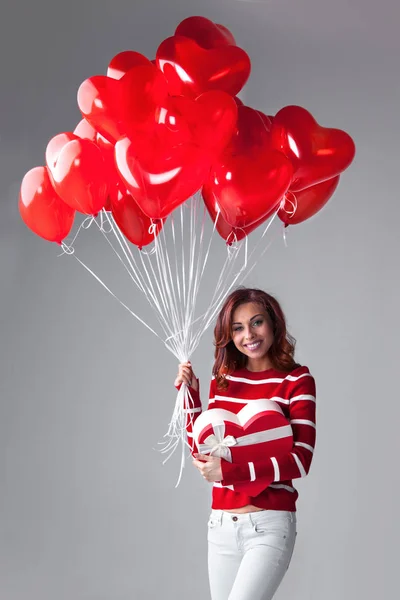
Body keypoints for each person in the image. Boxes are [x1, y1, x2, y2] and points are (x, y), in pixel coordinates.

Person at [174, 288, 316, 600]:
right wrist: (190, 398)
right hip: (221, 525)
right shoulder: (224, 378)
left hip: (269, 525)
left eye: (256, 323)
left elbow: (300, 460)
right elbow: (204, 450)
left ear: (273, 324)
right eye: (237, 328)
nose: (248, 335)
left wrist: (230, 473)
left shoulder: (297, 380)